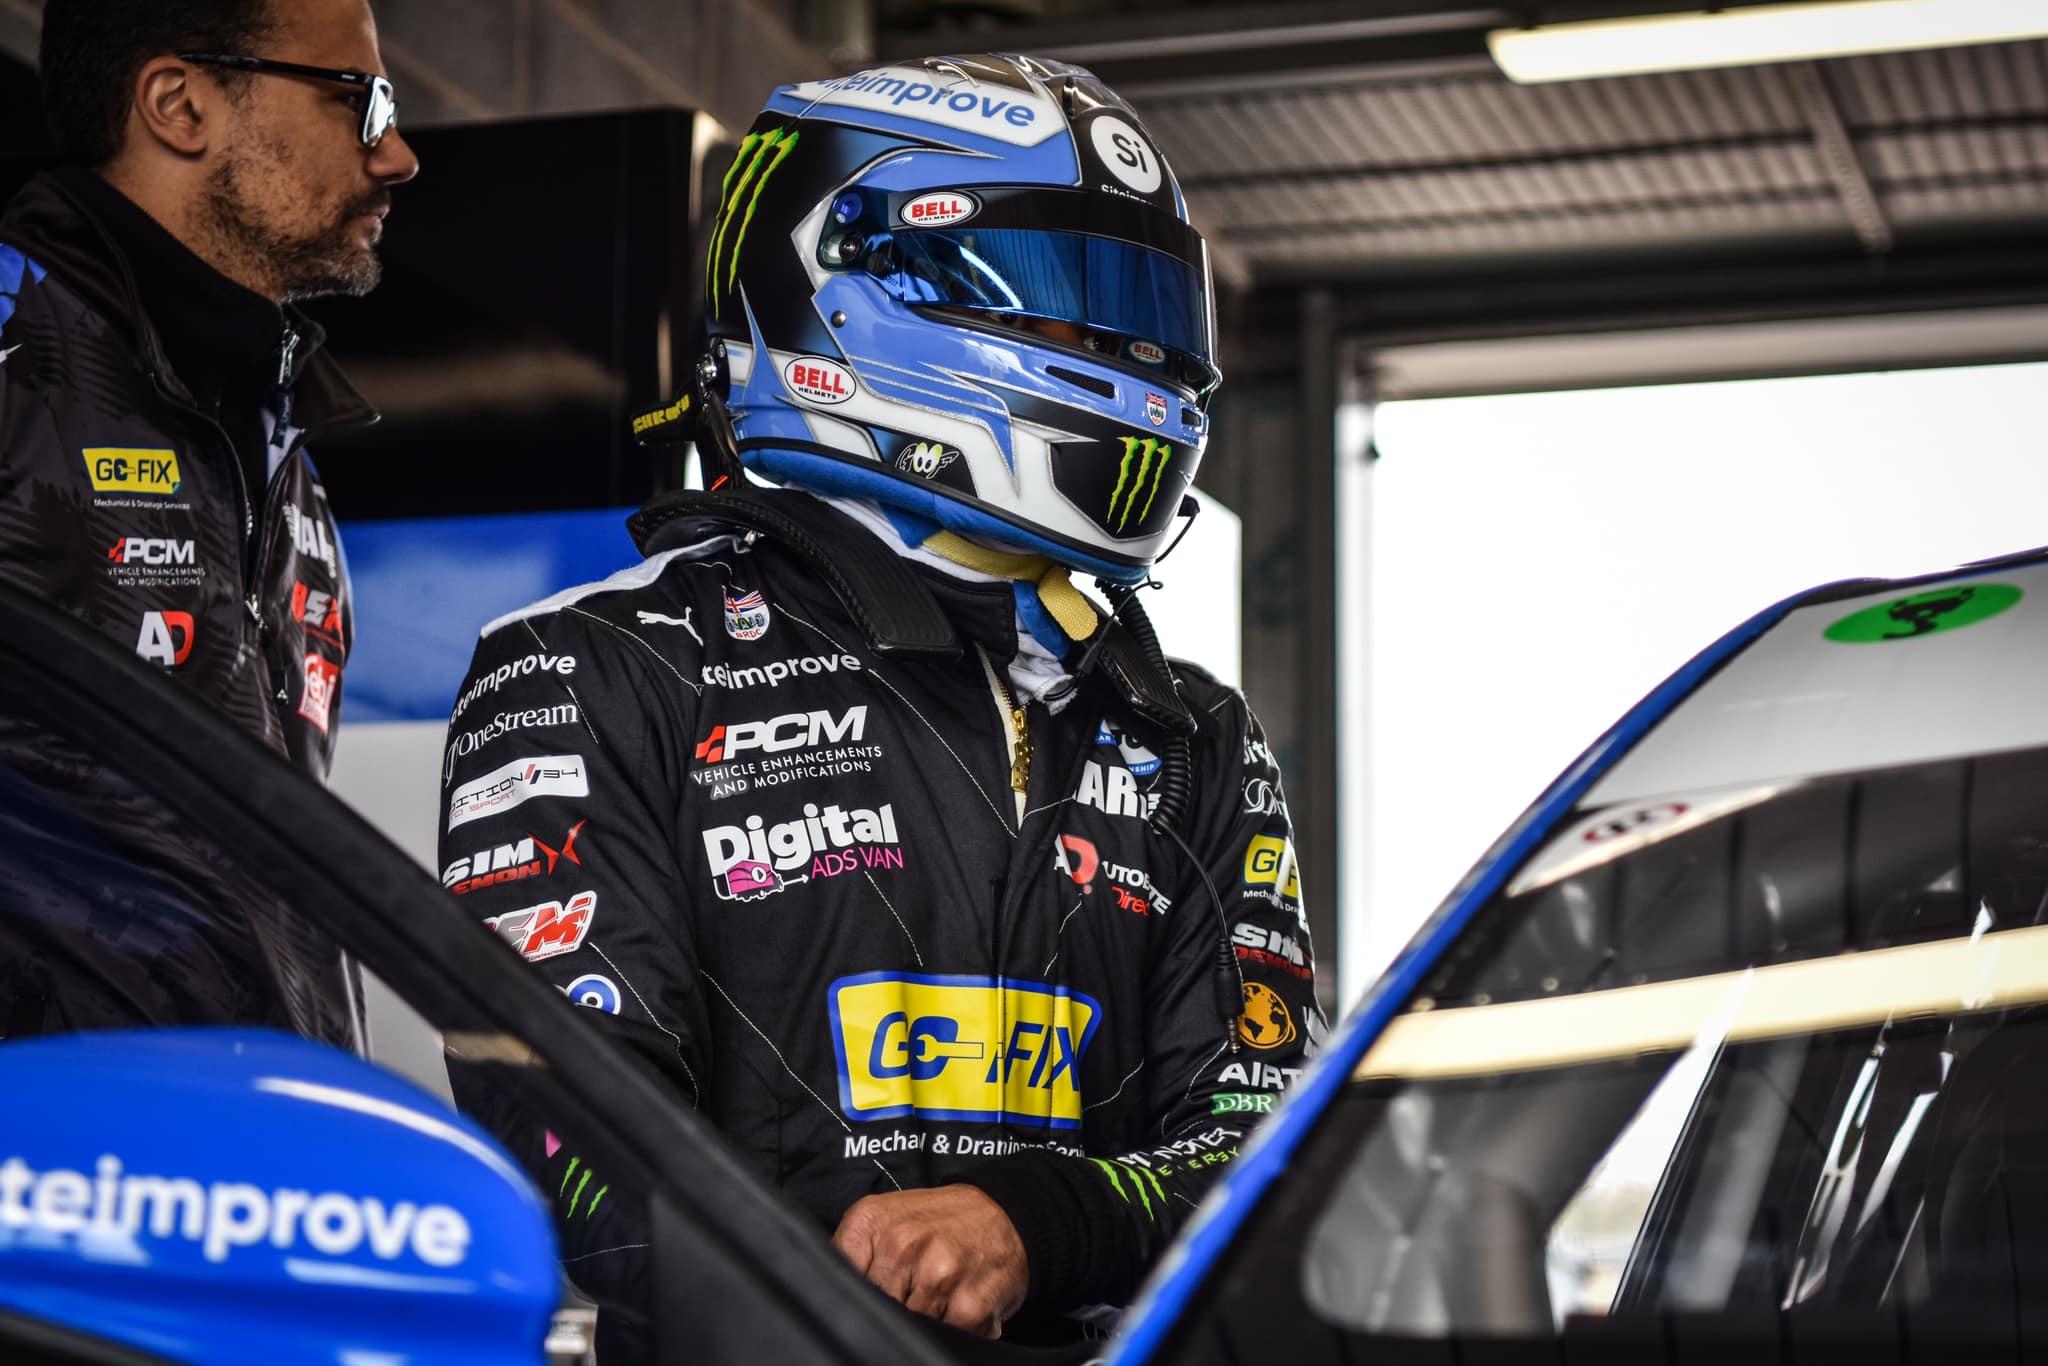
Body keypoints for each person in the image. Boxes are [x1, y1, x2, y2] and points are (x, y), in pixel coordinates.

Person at [439, 54, 1319, 1346]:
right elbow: (568, 1129)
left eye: (1141, 318)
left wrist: (1034, 1223)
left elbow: (1271, 1146)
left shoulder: (1190, 729)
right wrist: (849, 1284)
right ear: (848, 289)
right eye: (1069, 307)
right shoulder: (594, 665)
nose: (1125, 359)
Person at [0, 0, 419, 777]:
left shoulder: (282, 449)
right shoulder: (13, 363)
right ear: (180, 106)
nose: (397, 156)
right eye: (359, 100)